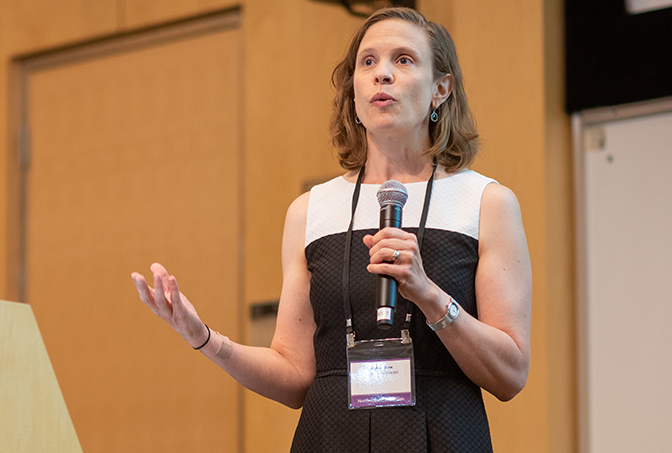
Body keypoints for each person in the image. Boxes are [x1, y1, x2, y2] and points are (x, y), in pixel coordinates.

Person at [131, 6, 531, 452]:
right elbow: (294, 375)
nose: (382, 74)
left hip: (444, 434)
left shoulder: (485, 203)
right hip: (332, 435)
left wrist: (428, 294)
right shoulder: (310, 210)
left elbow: (510, 374)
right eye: (368, 62)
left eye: (403, 60)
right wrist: (204, 338)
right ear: (354, 94)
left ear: (441, 90)